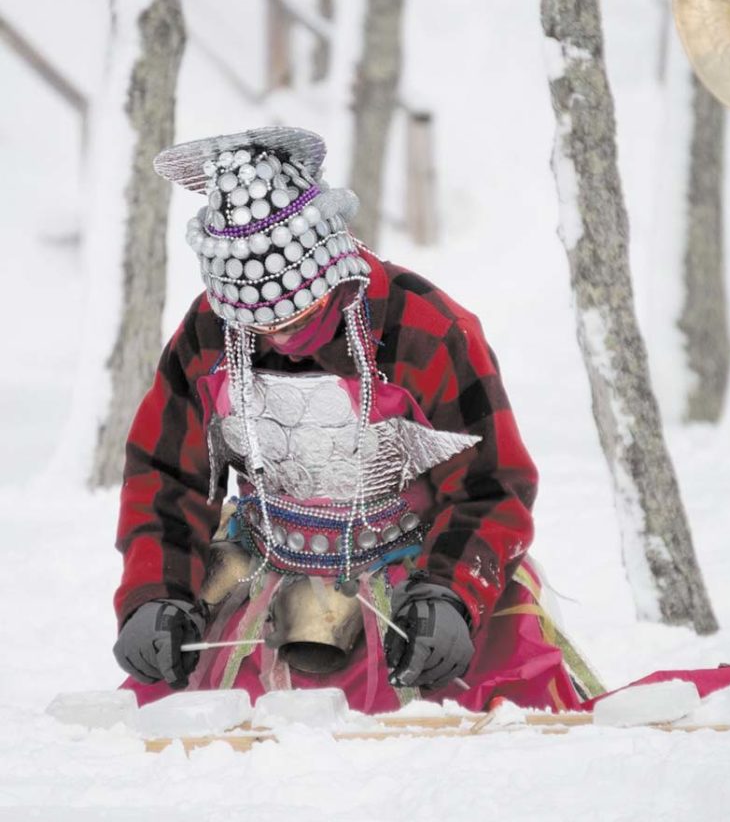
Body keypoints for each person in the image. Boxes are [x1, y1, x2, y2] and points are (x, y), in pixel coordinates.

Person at [112, 127, 604, 713]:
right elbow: (166, 477)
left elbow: (490, 486)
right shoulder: (208, 333)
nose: (279, 336)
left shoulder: (424, 327)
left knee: (470, 726)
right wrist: (155, 596)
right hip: (262, 578)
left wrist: (450, 596)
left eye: (299, 316)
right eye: (258, 325)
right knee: (199, 730)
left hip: (417, 581)